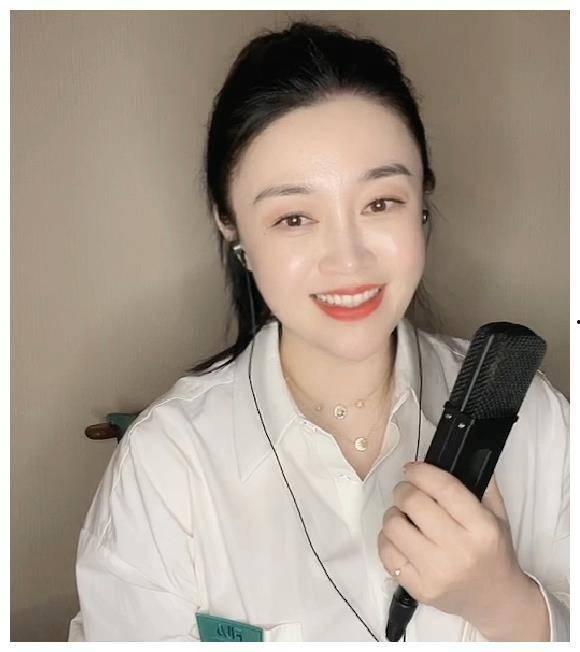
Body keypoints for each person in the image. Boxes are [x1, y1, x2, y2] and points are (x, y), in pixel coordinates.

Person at [68, 20, 569, 642]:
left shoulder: (534, 421)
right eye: (294, 218)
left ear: (421, 198)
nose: (348, 260)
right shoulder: (168, 464)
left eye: (380, 203)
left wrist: (509, 606)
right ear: (231, 225)